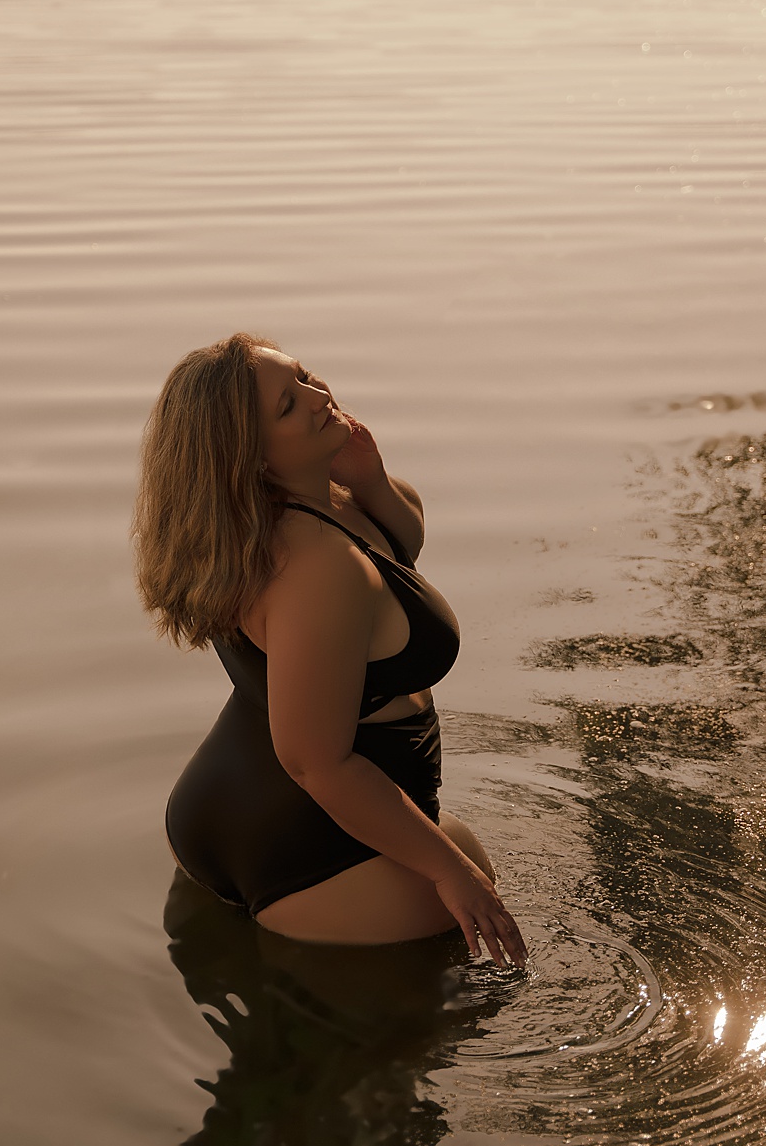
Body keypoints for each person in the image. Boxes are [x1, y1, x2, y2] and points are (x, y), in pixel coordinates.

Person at [132, 332, 527, 968]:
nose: (320, 398)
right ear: (248, 457)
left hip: (227, 804)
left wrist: (369, 478)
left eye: (306, 378)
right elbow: (317, 762)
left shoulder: (286, 515)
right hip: (316, 841)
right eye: (289, 406)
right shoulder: (317, 565)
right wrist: (449, 873)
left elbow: (403, 546)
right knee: (439, 1003)